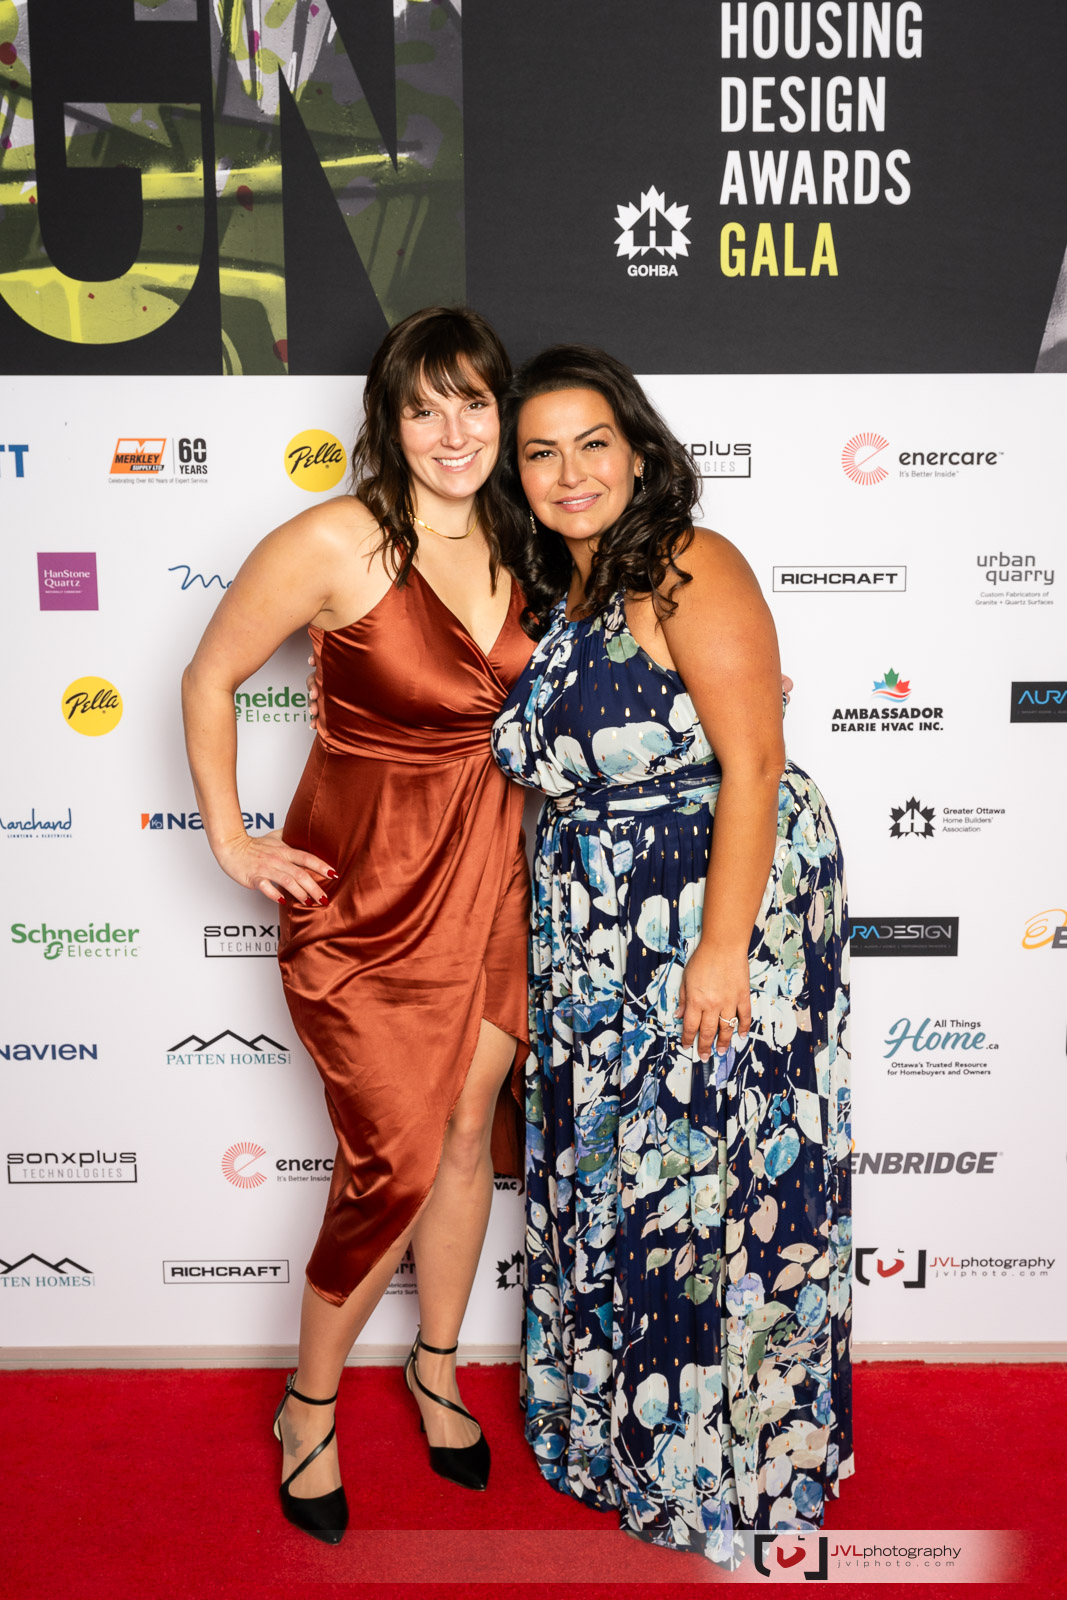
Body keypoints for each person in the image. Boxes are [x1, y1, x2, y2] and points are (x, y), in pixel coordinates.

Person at [489, 347, 853, 1564]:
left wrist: (719, 949)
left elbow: (752, 764)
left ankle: (728, 1461)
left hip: (711, 911)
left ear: (638, 451)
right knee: (624, 1179)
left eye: (592, 442)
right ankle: (625, 1439)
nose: (569, 471)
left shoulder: (689, 563)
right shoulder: (561, 594)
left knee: (720, 1178)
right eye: (540, 452)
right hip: (598, 936)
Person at [181, 306, 538, 1544]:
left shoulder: (529, 537)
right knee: (390, 1159)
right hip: (369, 906)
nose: (454, 432)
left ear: (500, 410)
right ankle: (309, 1406)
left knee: (463, 1136)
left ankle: (436, 1369)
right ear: (387, 421)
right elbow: (209, 675)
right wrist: (231, 839)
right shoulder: (338, 539)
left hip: (499, 879)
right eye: (422, 408)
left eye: (473, 402)